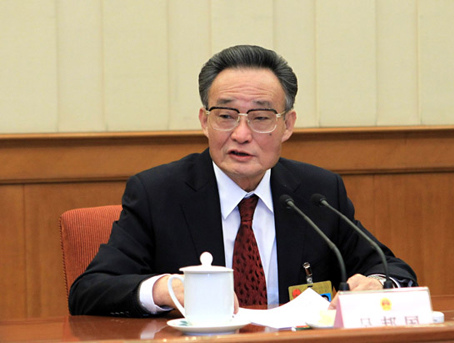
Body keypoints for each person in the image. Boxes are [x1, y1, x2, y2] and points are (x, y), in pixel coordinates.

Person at [69, 45, 417, 317]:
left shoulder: (317, 193)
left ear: (288, 125)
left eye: (261, 117)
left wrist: (378, 283)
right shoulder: (158, 193)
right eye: (225, 115)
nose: (241, 134)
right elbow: (90, 290)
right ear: (204, 121)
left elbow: (392, 269)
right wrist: (165, 289)